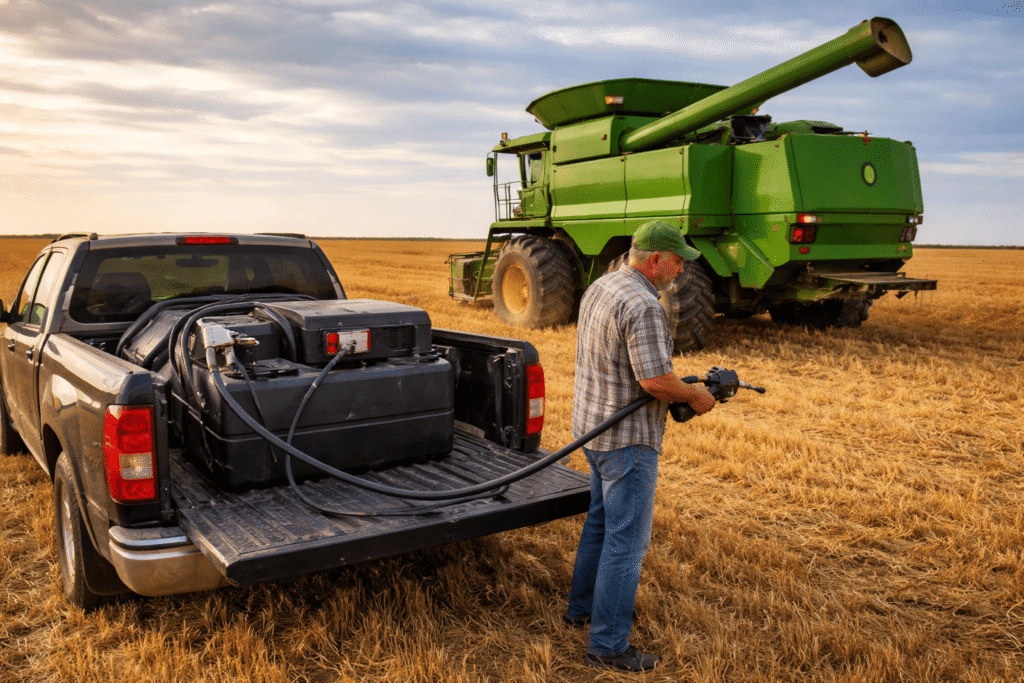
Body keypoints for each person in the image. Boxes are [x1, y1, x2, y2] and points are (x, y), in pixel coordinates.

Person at [563, 220, 716, 673]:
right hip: (627, 442)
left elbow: (624, 365)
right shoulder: (645, 306)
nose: (683, 272)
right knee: (626, 544)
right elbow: (653, 382)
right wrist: (695, 394)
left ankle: (581, 610)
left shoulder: (603, 286)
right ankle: (608, 646)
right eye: (677, 263)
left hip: (593, 431)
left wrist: (679, 385)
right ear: (655, 260)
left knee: (599, 524)